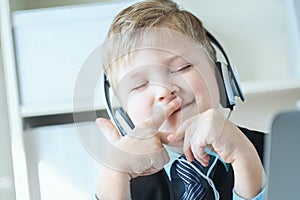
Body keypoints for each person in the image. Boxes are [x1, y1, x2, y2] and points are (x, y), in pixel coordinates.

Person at [95, 0, 266, 199]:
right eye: (139, 85)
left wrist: (244, 157)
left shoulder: (281, 150)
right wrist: (113, 174)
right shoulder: (119, 184)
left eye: (181, 68)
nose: (164, 91)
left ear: (221, 78)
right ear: (124, 118)